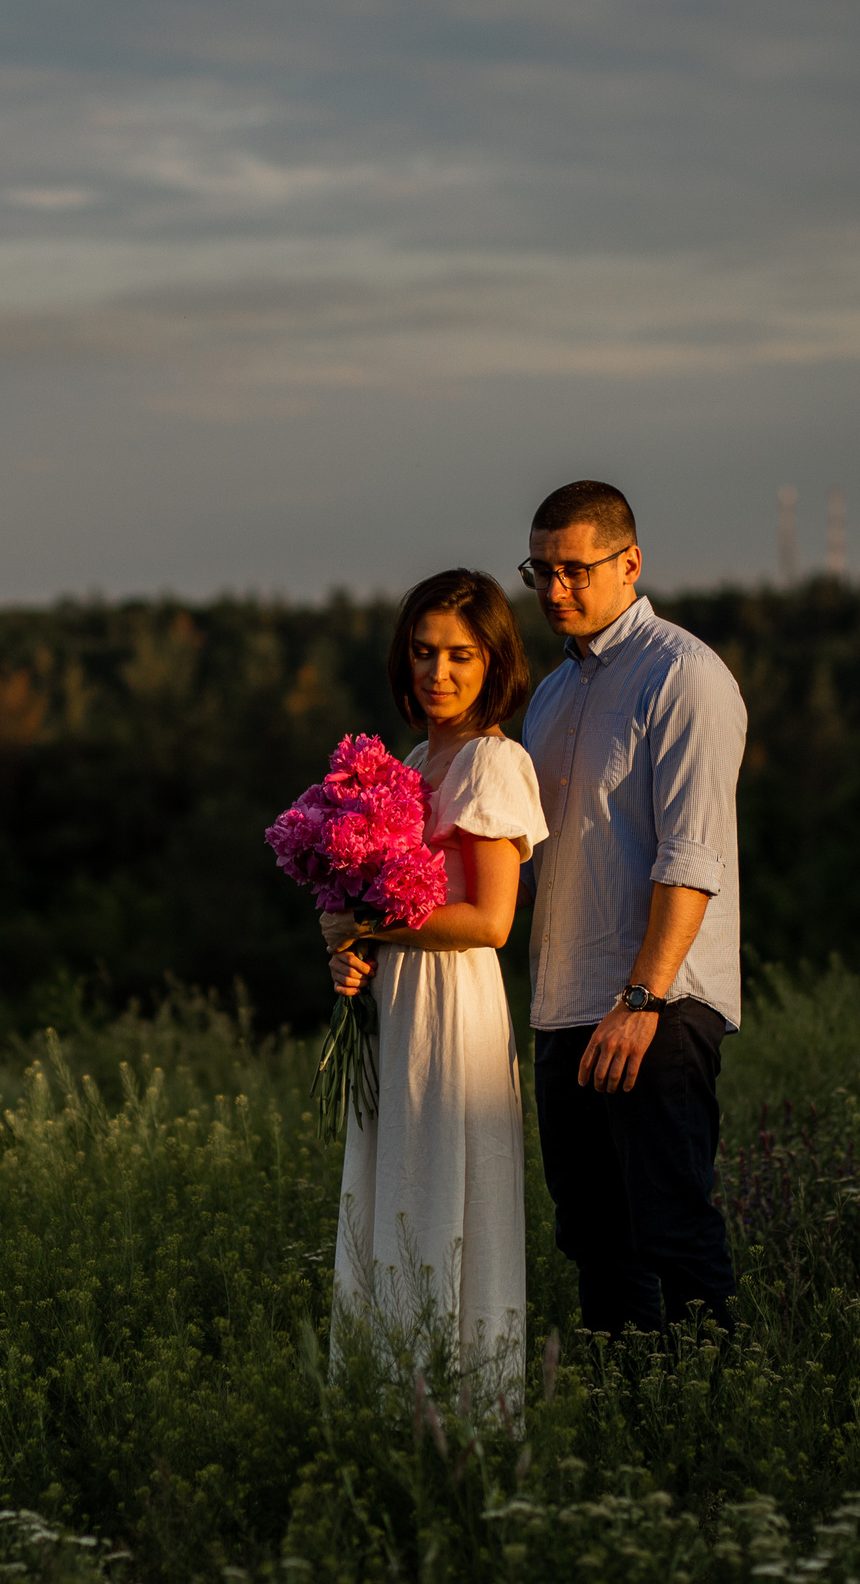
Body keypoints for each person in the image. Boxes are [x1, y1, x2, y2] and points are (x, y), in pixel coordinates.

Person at [517, 479, 747, 1338]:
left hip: (658, 1004)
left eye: (575, 570)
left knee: (673, 1230)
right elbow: (540, 867)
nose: (555, 590)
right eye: (540, 572)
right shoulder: (551, 695)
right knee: (594, 1240)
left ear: (631, 562)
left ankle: (711, 1429)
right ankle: (633, 1421)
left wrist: (642, 1000)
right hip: (566, 1004)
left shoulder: (683, 676)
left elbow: (693, 855)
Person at [321, 568, 548, 1383]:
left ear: (494, 661)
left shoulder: (491, 762)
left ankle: (460, 1405)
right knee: (397, 1198)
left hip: (452, 1009)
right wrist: (351, 944)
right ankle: (393, 1393)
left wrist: (372, 921)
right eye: (423, 652)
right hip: (400, 1002)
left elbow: (489, 922)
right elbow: (392, 906)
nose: (438, 672)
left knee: (444, 1198)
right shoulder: (417, 759)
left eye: (459, 653)